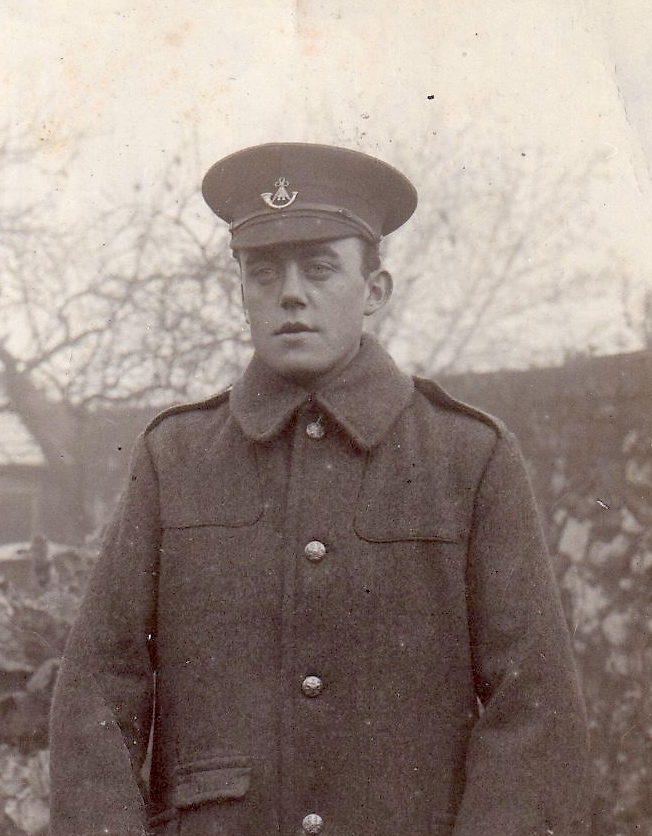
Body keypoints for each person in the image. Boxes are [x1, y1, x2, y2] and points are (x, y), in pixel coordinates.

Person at [50, 143, 590, 836]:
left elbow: (533, 708)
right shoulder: (175, 457)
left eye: (321, 267)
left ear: (375, 291)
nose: (291, 293)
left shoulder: (468, 457)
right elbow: (101, 684)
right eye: (264, 272)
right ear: (239, 290)